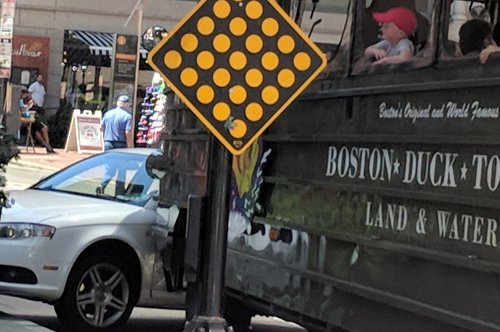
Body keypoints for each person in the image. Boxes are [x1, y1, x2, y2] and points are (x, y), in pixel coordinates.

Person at [19, 89, 55, 154]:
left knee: (42, 129)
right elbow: (23, 111)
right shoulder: (21, 101)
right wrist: (28, 106)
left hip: (34, 118)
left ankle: (48, 145)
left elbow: (36, 108)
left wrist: (32, 104)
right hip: (29, 118)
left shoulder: (30, 101)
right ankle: (47, 145)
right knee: (37, 131)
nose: (26, 96)